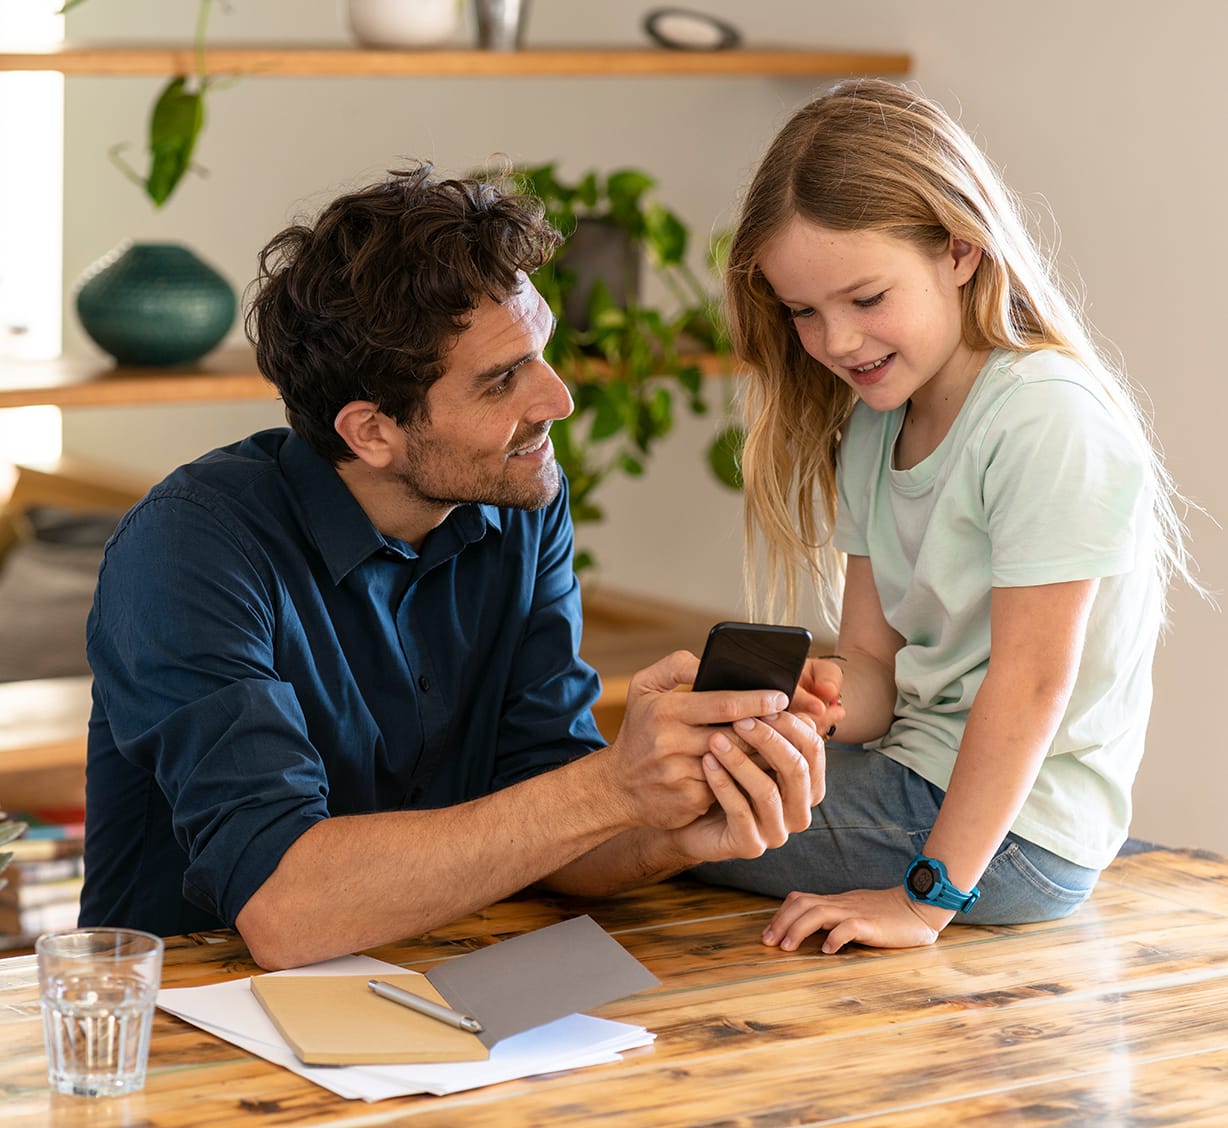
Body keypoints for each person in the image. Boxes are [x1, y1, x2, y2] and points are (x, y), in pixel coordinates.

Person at [80, 163, 828, 970]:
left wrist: (674, 821)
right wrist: (609, 787)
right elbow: (284, 910)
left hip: (441, 991)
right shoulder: (189, 547)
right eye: (502, 380)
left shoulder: (520, 504)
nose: (557, 401)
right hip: (183, 1026)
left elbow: (547, 810)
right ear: (372, 432)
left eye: (541, 352)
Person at [690, 79, 1199, 954]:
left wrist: (924, 899)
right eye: (804, 312)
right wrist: (819, 707)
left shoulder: (1046, 419)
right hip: (913, 774)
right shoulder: (875, 424)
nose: (838, 342)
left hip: (1015, 836)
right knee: (679, 781)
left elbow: (1033, 687)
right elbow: (877, 675)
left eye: (865, 298)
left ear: (960, 251)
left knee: (642, 813)